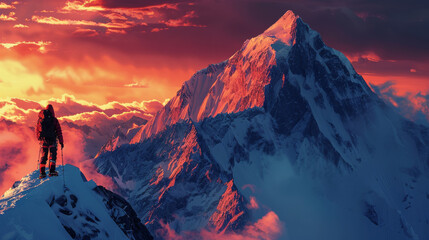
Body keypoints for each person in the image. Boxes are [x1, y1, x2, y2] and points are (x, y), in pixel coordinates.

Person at [36, 104, 64, 178]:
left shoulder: (41, 119)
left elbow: (37, 129)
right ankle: (52, 171)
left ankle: (42, 173)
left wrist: (39, 138)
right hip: (52, 141)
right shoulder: (54, 120)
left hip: (44, 141)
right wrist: (61, 142)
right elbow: (59, 131)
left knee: (44, 156)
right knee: (52, 156)